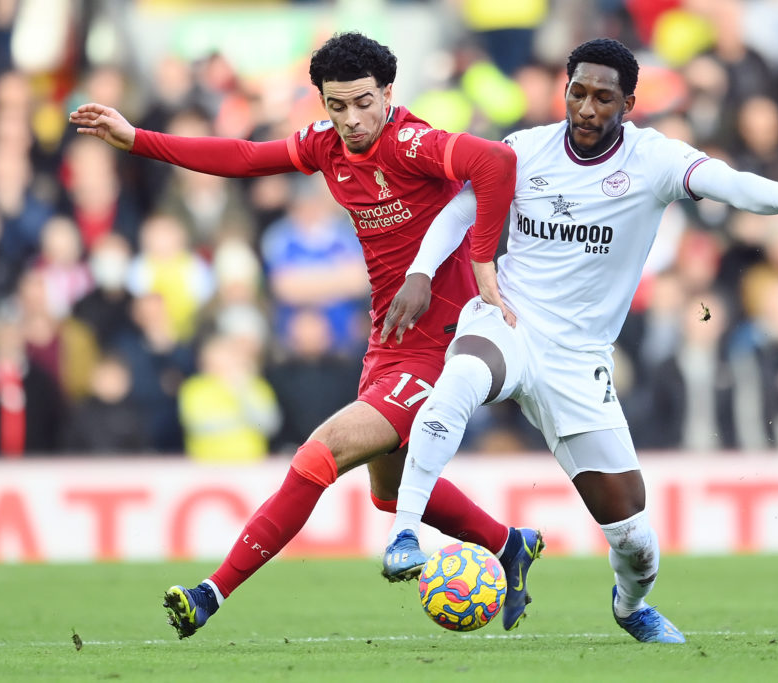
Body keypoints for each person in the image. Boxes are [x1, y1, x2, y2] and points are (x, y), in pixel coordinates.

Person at [379, 38, 778, 643]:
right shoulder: (522, 151)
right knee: (463, 376)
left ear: (629, 103)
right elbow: (460, 210)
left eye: (603, 97)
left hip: (579, 362)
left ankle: (630, 605)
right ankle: (404, 534)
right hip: (511, 321)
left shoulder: (653, 160)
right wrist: (421, 273)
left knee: (634, 540)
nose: (586, 108)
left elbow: (727, 182)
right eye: (576, 93)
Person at [68, 32, 542, 639]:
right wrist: (138, 140)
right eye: (336, 105)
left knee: (320, 453)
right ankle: (509, 544)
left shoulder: (413, 141)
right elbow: (242, 157)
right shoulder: (326, 147)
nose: (350, 119)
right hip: (389, 339)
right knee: (388, 492)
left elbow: (496, 163)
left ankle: (210, 592)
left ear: (389, 93)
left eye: (364, 102)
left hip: (442, 342)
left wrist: (475, 265)